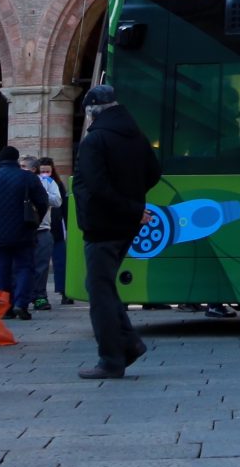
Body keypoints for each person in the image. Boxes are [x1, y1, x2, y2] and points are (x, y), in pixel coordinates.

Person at [72, 83, 159, 381]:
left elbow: (95, 186)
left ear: (93, 111)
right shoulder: (136, 136)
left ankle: (110, 359)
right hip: (126, 225)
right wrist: (134, 204)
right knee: (103, 285)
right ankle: (130, 344)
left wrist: (128, 207)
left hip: (102, 224)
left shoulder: (95, 140)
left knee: (99, 292)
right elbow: (154, 173)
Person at [0, 146, 45, 321]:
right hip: (24, 230)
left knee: (2, 270)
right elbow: (42, 202)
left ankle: (5, 307)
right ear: (16, 159)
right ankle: (21, 304)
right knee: (24, 268)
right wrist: (35, 221)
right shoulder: (28, 177)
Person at [34, 157, 69, 310]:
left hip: (56, 226)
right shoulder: (35, 183)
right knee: (39, 263)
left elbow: (63, 205)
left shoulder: (57, 184)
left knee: (60, 261)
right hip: (42, 226)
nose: (45, 174)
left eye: (48, 171)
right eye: (42, 171)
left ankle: (64, 292)